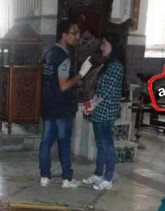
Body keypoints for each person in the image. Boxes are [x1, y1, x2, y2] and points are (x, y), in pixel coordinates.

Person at [39, 19, 93, 189]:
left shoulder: (48, 54)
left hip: (48, 105)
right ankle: (67, 179)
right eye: (74, 33)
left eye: (78, 33)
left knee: (46, 142)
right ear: (64, 34)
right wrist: (81, 74)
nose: (77, 37)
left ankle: (44, 176)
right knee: (64, 143)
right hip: (61, 108)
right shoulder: (63, 58)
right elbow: (63, 86)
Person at [81, 33, 125, 191]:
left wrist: (93, 103)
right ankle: (98, 174)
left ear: (113, 46)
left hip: (106, 111)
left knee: (108, 145)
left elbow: (107, 91)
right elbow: (98, 87)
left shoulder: (116, 66)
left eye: (105, 43)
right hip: (99, 110)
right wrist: (91, 103)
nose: (102, 47)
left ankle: (108, 178)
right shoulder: (107, 64)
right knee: (100, 144)